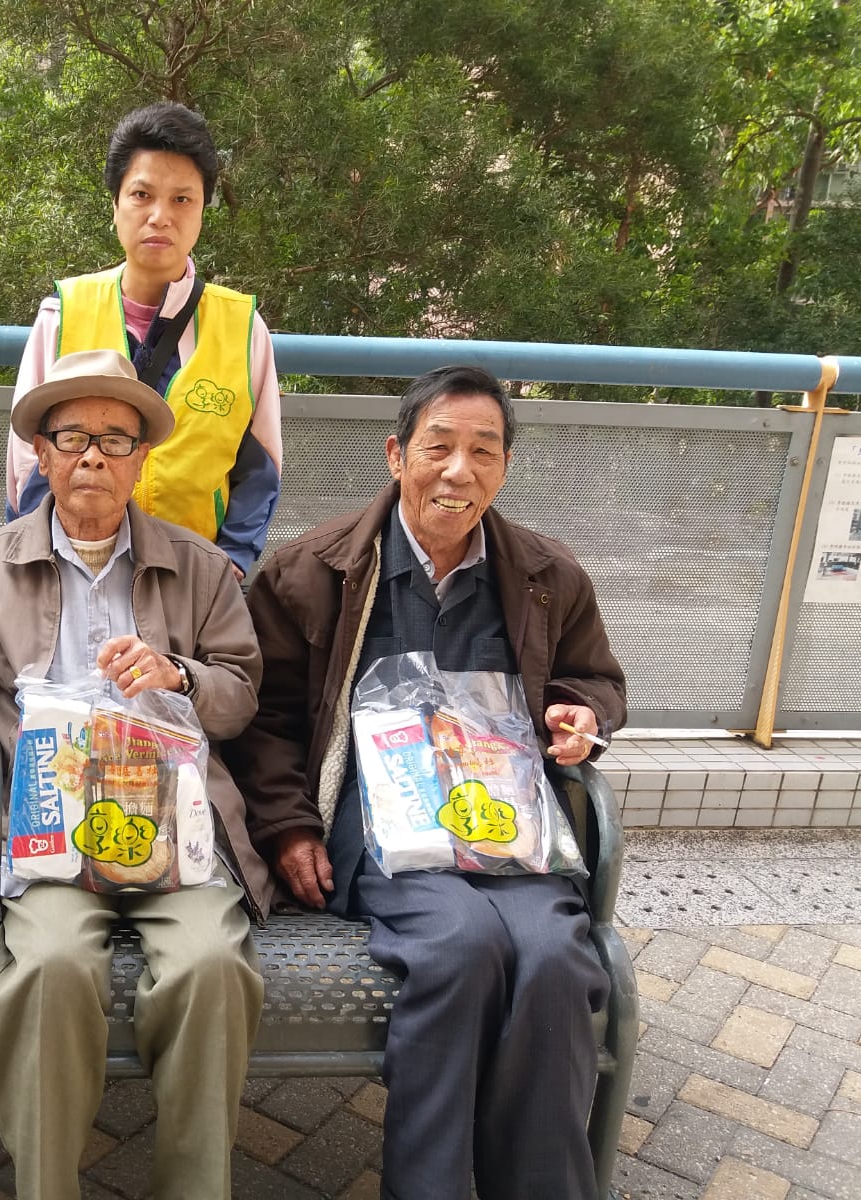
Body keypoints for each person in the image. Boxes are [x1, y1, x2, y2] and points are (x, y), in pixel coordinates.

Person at [0, 349, 271, 1200]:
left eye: (115, 439)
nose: (92, 456)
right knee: (50, 967)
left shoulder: (201, 568)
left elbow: (240, 697)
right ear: (42, 452)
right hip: (51, 843)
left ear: (140, 459)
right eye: (72, 437)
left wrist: (179, 675)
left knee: (210, 966)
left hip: (174, 840)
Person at [228, 365, 626, 1200]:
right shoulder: (311, 570)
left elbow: (594, 678)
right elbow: (262, 722)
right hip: (378, 825)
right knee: (458, 944)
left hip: (505, 823)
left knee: (554, 956)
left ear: (504, 466)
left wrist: (579, 714)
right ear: (395, 454)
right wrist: (289, 826)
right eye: (438, 446)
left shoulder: (546, 575)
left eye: (483, 451)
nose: (458, 470)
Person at [6, 102, 283, 578]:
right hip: (72, 571)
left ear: (202, 211)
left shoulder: (243, 327)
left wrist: (232, 559)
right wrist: (40, 562)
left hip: (194, 577)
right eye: (141, 194)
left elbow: (260, 466)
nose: (160, 216)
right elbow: (27, 459)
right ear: (115, 205)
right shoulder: (62, 314)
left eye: (182, 199)